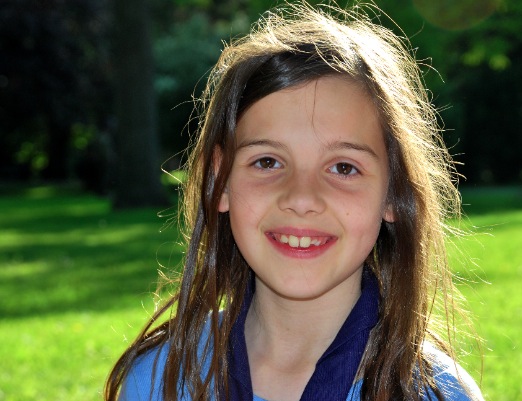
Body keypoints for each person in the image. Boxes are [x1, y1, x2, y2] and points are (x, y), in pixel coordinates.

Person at [105, 2, 484, 400]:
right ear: (220, 180)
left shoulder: (435, 392)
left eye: (343, 167)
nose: (302, 198)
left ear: (392, 190)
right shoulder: (157, 380)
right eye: (267, 162)